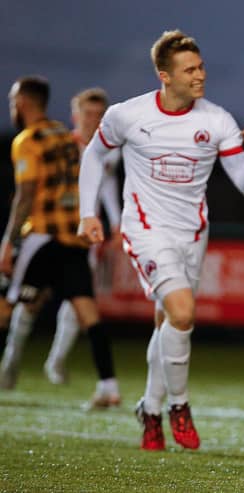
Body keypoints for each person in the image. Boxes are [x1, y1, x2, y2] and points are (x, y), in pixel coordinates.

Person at [78, 30, 244, 451]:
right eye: (190, 70)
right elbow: (93, 153)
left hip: (193, 233)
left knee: (169, 324)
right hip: (145, 230)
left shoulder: (216, 120)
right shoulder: (129, 115)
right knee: (182, 313)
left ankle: (149, 407)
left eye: (200, 67)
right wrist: (87, 213)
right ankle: (179, 405)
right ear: (165, 75)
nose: (200, 75)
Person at [0, 76, 121, 410]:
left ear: (22, 102)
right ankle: (109, 385)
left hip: (42, 236)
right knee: (87, 313)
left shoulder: (29, 139)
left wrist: (8, 243)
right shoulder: (66, 140)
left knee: (7, 302)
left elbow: (25, 197)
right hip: (75, 239)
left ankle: (19, 365)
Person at [43, 87, 123, 385]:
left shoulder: (109, 152)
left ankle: (56, 361)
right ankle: (10, 365)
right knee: (29, 300)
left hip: (84, 235)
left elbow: (107, 189)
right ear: (75, 115)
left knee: (78, 300)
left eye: (99, 114)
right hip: (49, 231)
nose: (93, 119)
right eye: (88, 113)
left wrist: (116, 223)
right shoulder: (62, 145)